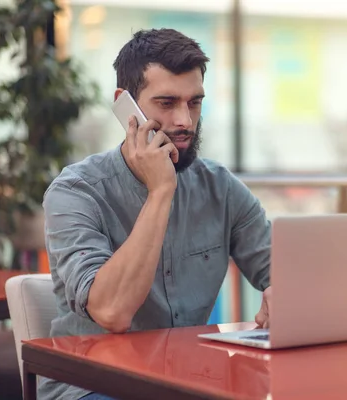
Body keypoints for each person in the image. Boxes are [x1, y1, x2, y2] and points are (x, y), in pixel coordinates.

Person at [38, 28, 272, 400]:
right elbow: (112, 312)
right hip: (93, 386)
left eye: (194, 103)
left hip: (187, 380)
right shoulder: (75, 192)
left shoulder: (220, 188)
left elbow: (283, 270)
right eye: (167, 103)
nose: (185, 121)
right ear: (124, 105)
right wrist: (161, 191)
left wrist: (283, 292)